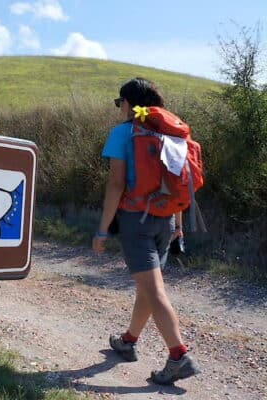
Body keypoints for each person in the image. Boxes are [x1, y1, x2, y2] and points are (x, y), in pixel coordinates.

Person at [92, 77, 201, 385]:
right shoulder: (166, 132)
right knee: (147, 286)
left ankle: (178, 356)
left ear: (128, 103)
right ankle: (128, 341)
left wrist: (102, 231)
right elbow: (174, 180)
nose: (119, 108)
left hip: (135, 221)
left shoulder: (123, 133)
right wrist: (178, 226)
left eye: (119, 102)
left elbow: (116, 184)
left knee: (153, 290)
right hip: (166, 220)